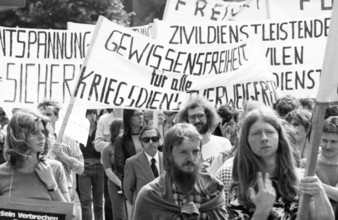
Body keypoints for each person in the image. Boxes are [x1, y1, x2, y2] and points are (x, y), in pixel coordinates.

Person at [227, 108, 334, 219]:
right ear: (246, 141)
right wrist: (261, 211)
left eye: (269, 132)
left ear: (279, 136)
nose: (264, 138)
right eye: (256, 133)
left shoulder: (301, 178)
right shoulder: (241, 188)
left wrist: (319, 193)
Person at [133, 123, 226, 219]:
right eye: (183, 152)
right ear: (169, 155)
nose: (190, 158)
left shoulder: (214, 189)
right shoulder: (150, 196)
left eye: (195, 152)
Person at [0, 109, 70, 202]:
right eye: (35, 132)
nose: (42, 137)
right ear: (18, 136)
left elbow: (69, 214)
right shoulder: (2, 173)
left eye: (42, 131)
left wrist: (52, 185)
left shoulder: (55, 168)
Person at [37, 100, 84, 200]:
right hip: (39, 188)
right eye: (41, 115)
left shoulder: (68, 140)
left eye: (48, 114)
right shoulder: (31, 139)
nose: (44, 118)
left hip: (63, 191)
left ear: (57, 117)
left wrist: (62, 155)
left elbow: (80, 169)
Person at [176, 95, 232, 174]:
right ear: (186, 119)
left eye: (200, 116)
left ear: (208, 116)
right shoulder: (180, 148)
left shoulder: (224, 143)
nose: (197, 120)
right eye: (192, 117)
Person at [123, 125, 164, 211]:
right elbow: (128, 190)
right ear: (141, 142)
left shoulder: (168, 159)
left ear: (159, 140)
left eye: (154, 139)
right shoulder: (132, 163)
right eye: (146, 139)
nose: (151, 142)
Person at [114, 109, 144, 219]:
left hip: (151, 179)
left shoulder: (150, 135)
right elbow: (120, 166)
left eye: (142, 114)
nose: (141, 117)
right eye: (137, 115)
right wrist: (139, 173)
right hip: (133, 184)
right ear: (128, 118)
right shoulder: (121, 139)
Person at [95, 108, 122, 220]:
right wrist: (114, 146)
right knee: (110, 204)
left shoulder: (132, 117)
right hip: (110, 169)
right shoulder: (103, 119)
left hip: (129, 170)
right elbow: (97, 144)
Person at [78, 109, 104, 220]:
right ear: (85, 115)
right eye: (89, 114)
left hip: (99, 166)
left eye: (94, 113)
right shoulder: (80, 129)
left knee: (98, 202)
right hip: (84, 166)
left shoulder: (100, 129)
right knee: (85, 201)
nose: (91, 116)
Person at [102, 119, 126, 220]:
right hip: (115, 185)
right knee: (120, 216)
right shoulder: (107, 149)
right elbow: (108, 171)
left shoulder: (129, 147)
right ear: (116, 131)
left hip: (131, 184)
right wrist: (121, 184)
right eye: (123, 129)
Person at [317, 116, 338, 219]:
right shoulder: (306, 164)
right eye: (324, 140)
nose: (328, 146)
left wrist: (315, 185)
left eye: (334, 142)